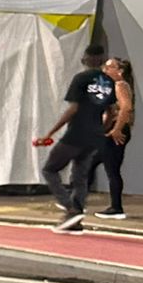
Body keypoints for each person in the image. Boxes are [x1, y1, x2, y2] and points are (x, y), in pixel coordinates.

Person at [38, 45, 115, 234]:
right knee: (80, 177)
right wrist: (101, 130)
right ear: (102, 59)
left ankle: (70, 209)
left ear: (86, 58)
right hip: (95, 136)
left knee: (50, 169)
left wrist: (50, 133)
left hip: (77, 133)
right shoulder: (108, 82)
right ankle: (76, 221)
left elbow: (73, 109)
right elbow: (111, 112)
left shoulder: (81, 78)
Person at [94, 57, 134, 220]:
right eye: (105, 67)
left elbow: (126, 108)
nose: (105, 70)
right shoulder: (112, 87)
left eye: (109, 67)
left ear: (120, 71)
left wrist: (117, 129)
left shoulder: (120, 85)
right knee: (91, 162)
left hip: (117, 130)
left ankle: (116, 207)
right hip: (110, 129)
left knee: (112, 169)